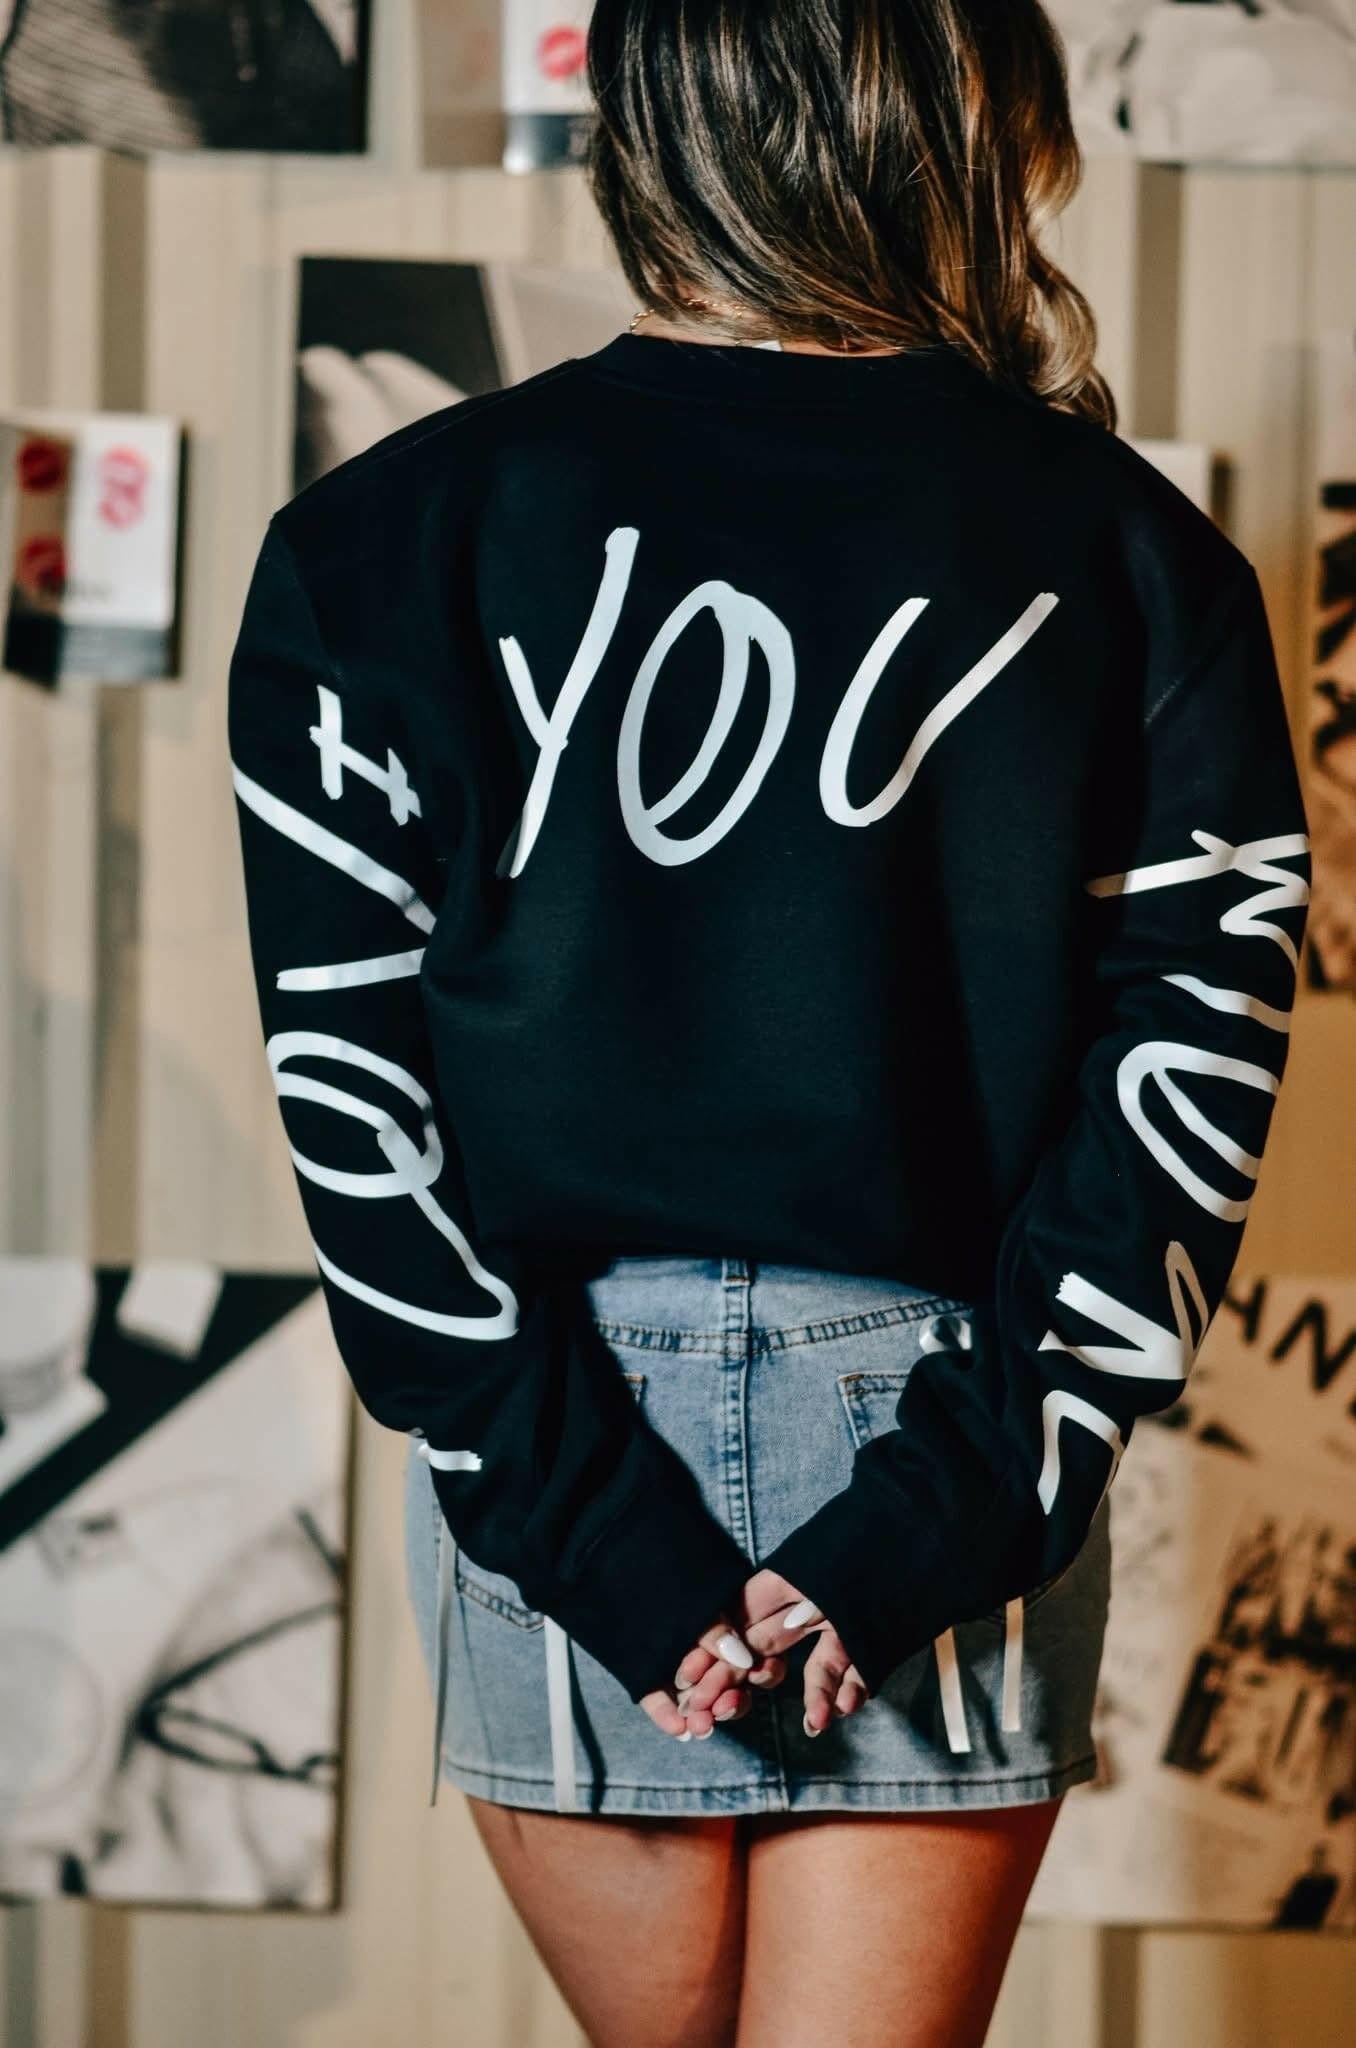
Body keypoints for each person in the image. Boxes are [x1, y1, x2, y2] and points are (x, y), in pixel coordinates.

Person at [226, 2, 1311, 2040]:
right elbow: (1187, 1080)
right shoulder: (1128, 547)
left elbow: (355, 1104)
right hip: (957, 1393)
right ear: (956, 120)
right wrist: (961, 1495)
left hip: (544, 1410)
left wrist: (586, 1522)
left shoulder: (378, 538)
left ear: (641, 124)